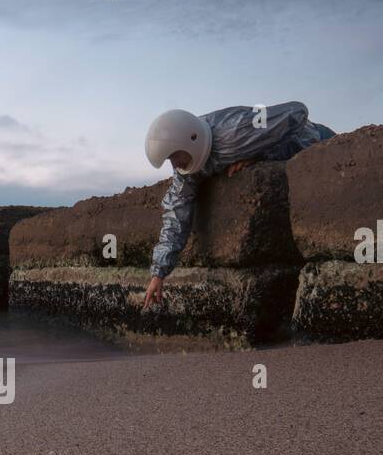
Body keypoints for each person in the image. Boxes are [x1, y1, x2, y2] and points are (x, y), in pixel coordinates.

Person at [142, 103, 335, 309]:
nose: (174, 165)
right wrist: (158, 275)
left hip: (319, 139)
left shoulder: (235, 131)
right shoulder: (186, 172)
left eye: (174, 156)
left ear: (191, 140)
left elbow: (298, 113)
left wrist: (259, 154)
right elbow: (175, 219)